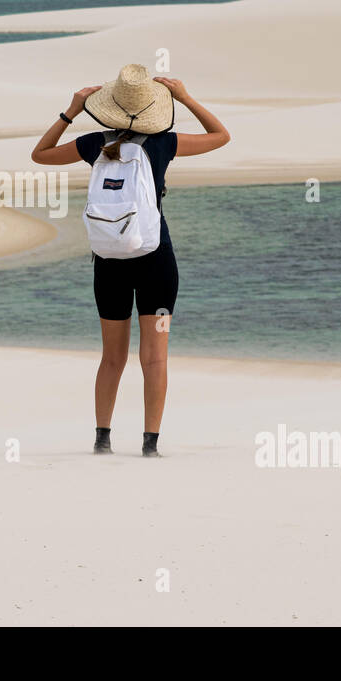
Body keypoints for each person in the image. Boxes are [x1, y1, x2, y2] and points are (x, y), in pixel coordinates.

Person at [31, 64, 230, 457]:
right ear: (154, 107)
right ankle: (149, 445)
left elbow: (40, 155)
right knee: (154, 357)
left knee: (112, 357)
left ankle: (102, 439)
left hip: (109, 260)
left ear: (109, 107)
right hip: (157, 261)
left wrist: (70, 110)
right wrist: (186, 97)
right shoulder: (163, 144)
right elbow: (221, 137)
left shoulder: (93, 144)